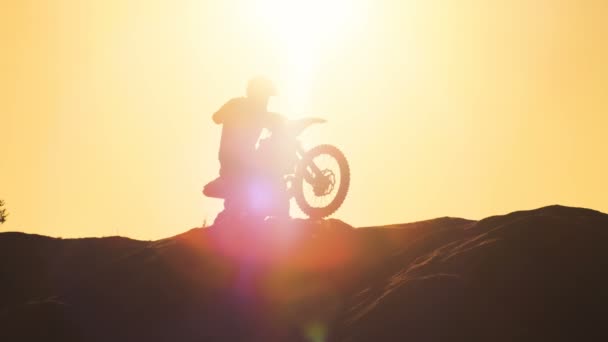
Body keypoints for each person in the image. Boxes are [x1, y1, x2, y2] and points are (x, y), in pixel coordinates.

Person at [204, 77, 286, 223]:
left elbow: (216, 118)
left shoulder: (251, 109)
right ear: (256, 94)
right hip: (237, 160)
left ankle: (245, 210)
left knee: (263, 172)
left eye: (268, 97)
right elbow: (216, 118)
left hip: (239, 159)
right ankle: (259, 210)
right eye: (265, 96)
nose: (266, 101)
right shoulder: (243, 106)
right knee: (266, 176)